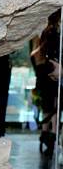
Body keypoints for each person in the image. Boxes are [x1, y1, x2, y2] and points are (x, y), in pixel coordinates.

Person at [30, 9, 61, 156]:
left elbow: (34, 56)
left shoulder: (40, 33)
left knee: (47, 107)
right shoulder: (52, 33)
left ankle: (45, 137)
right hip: (50, 72)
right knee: (53, 108)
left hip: (42, 73)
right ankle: (51, 138)